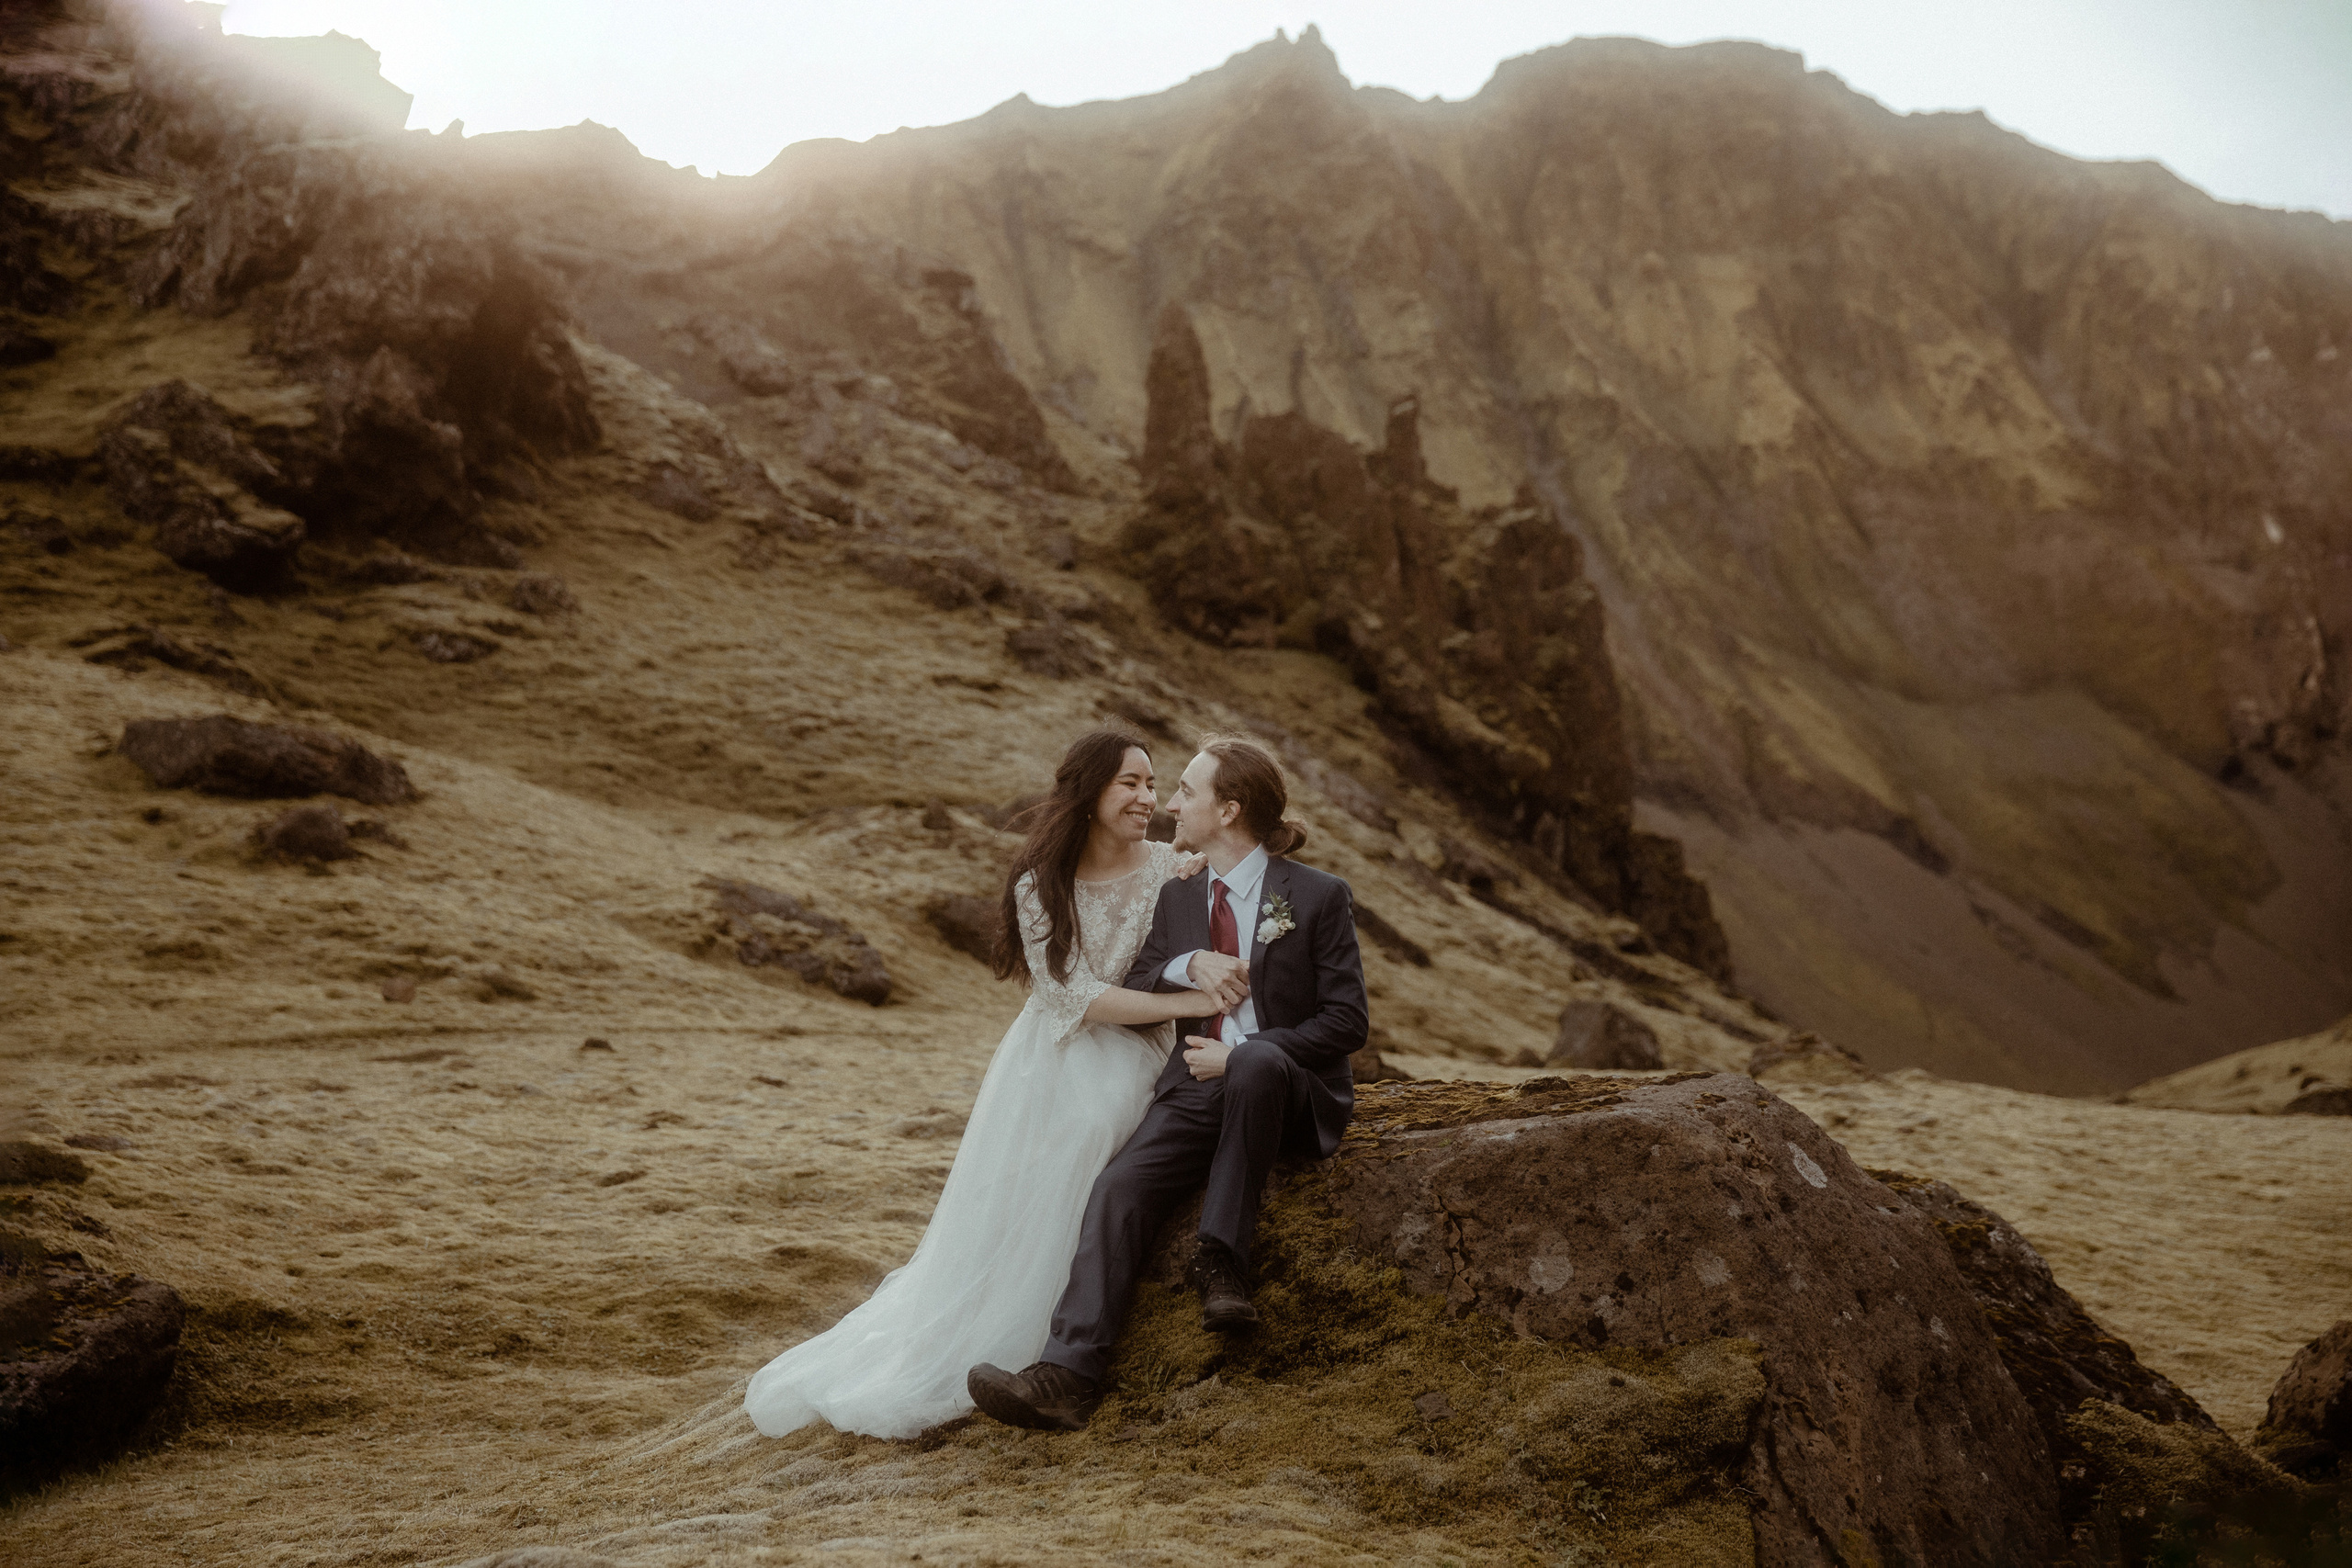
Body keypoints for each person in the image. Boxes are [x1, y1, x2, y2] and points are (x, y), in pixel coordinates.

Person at [741, 728, 1238, 1439]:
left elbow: (1237, 879)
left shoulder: (1169, 867)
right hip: (1058, 1044)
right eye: (1130, 782)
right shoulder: (1039, 885)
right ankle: (1006, 1331)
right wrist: (1184, 1005)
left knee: (1107, 1124)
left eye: (1154, 785)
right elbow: (1077, 999)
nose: (1147, 798)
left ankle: (1063, 1336)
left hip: (1141, 1044)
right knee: (1069, 1130)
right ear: (1089, 790)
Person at [967, 735, 1369, 1432]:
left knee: (1259, 1062)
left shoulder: (1317, 895)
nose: (1170, 803)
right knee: (1119, 1187)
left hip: (1286, 1089)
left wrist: (1243, 1051)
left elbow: (1347, 1021)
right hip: (1194, 1090)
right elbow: (1146, 971)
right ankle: (1068, 1374)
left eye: (1186, 790)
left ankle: (1221, 1261)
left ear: (1230, 809)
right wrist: (1191, 964)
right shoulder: (1181, 893)